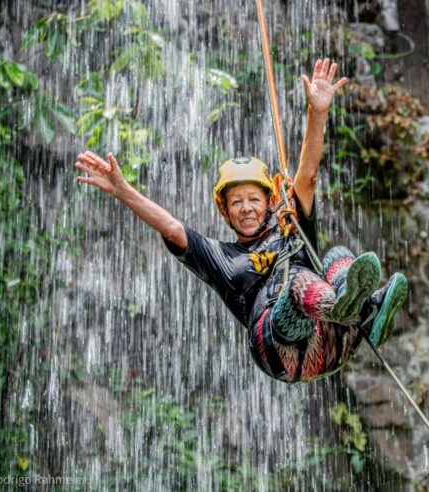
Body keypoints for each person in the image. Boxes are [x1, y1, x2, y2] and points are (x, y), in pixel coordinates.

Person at [74, 58, 408, 383]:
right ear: (225, 210)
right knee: (298, 284)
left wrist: (317, 112)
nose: (246, 208)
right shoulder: (221, 257)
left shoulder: (292, 229)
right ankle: (351, 308)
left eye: (253, 199)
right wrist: (122, 190)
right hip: (280, 351)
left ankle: (366, 313)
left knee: (337, 256)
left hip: (335, 343)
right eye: (236, 202)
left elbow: (306, 177)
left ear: (271, 201)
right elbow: (172, 228)